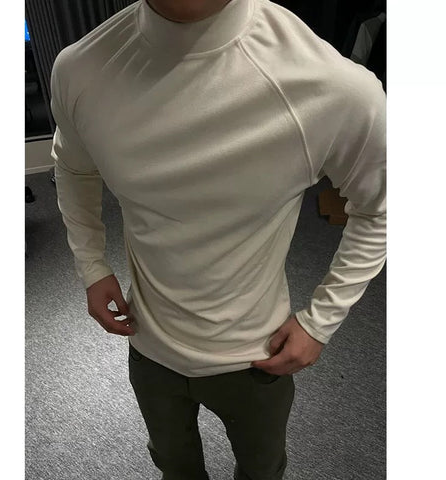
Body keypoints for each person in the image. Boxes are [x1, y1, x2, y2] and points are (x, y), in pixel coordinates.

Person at [50, 0, 386, 478]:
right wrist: (92, 265)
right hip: (148, 345)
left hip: (255, 355)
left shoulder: (332, 86)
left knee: (261, 471)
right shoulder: (81, 69)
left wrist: (321, 321)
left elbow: (382, 208)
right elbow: (72, 166)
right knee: (174, 466)